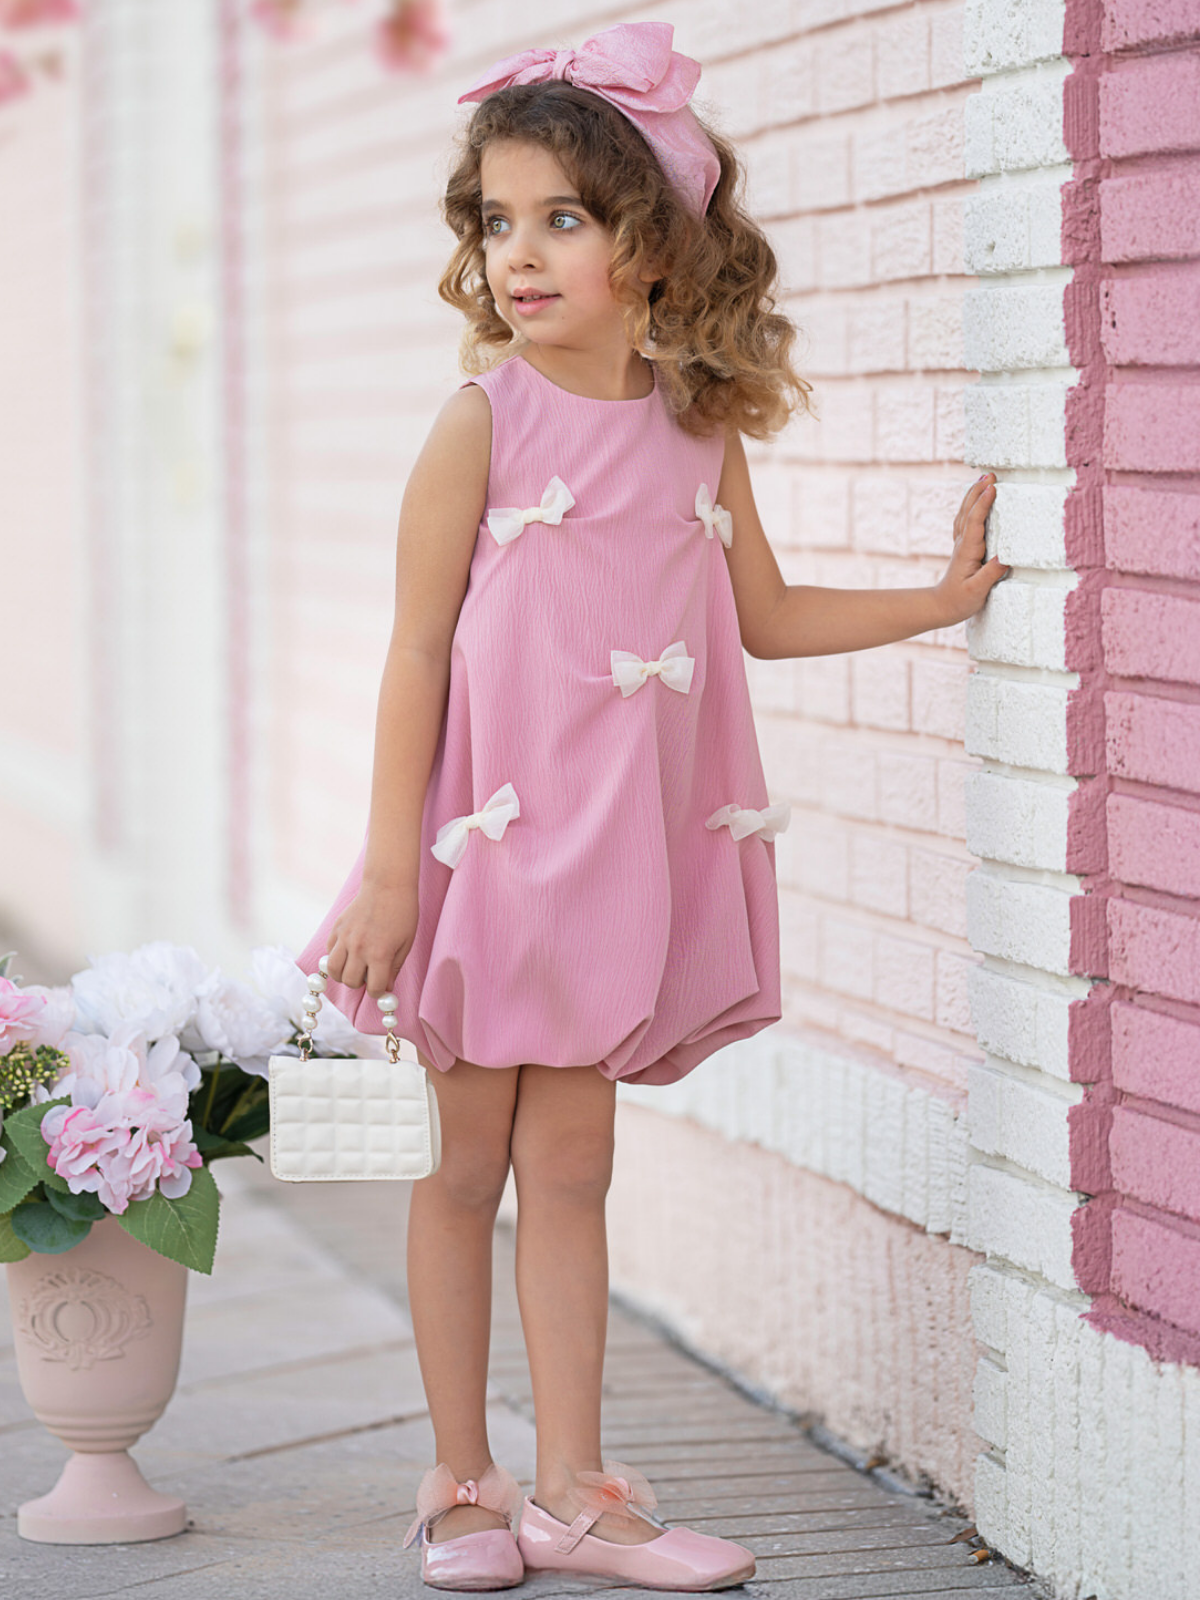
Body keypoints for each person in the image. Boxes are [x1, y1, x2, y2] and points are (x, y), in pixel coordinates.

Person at [296, 20, 1004, 1592]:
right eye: (498, 220)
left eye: (563, 218)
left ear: (658, 242)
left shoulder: (697, 426)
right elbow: (414, 653)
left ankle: (576, 1490)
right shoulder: (482, 421)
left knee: (572, 1170)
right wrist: (391, 875)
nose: (521, 253)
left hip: (613, 865)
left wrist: (937, 601)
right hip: (485, 858)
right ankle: (462, 1482)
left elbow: (763, 614)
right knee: (462, 1166)